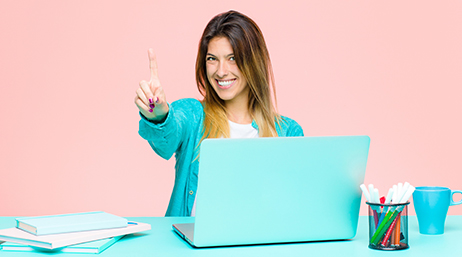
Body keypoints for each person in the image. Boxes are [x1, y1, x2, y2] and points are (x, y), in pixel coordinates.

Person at [135, 10, 304, 217]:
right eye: (212, 58)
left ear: (254, 61)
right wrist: (159, 115)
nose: (221, 71)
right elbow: (167, 139)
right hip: (189, 248)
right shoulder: (194, 115)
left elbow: (294, 206)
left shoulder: (288, 132)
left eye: (232, 58)